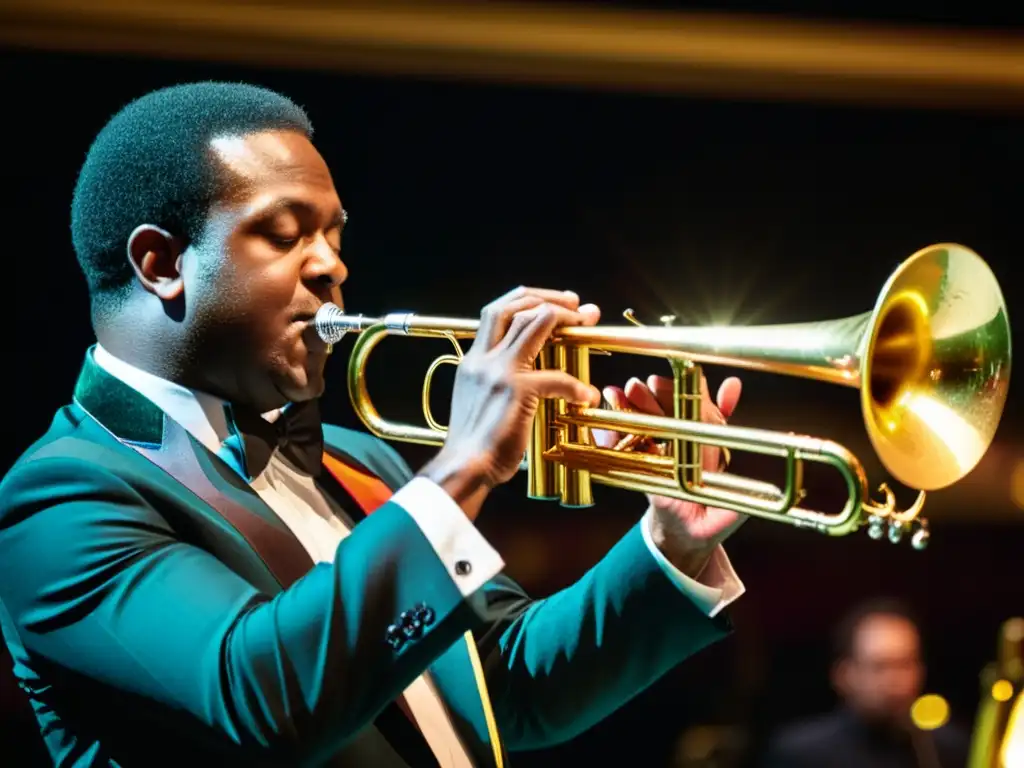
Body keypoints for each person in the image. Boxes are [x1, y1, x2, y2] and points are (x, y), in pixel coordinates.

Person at [0, 82, 747, 767]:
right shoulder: (59, 498)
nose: (331, 267)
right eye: (283, 233)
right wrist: (463, 467)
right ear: (161, 263)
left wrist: (670, 542)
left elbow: (507, 689)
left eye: (333, 233)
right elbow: (260, 698)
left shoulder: (361, 463)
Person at [762, 598, 970, 768]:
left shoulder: (945, 749)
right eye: (880, 666)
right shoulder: (800, 754)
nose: (894, 680)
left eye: (905, 664)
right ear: (843, 675)